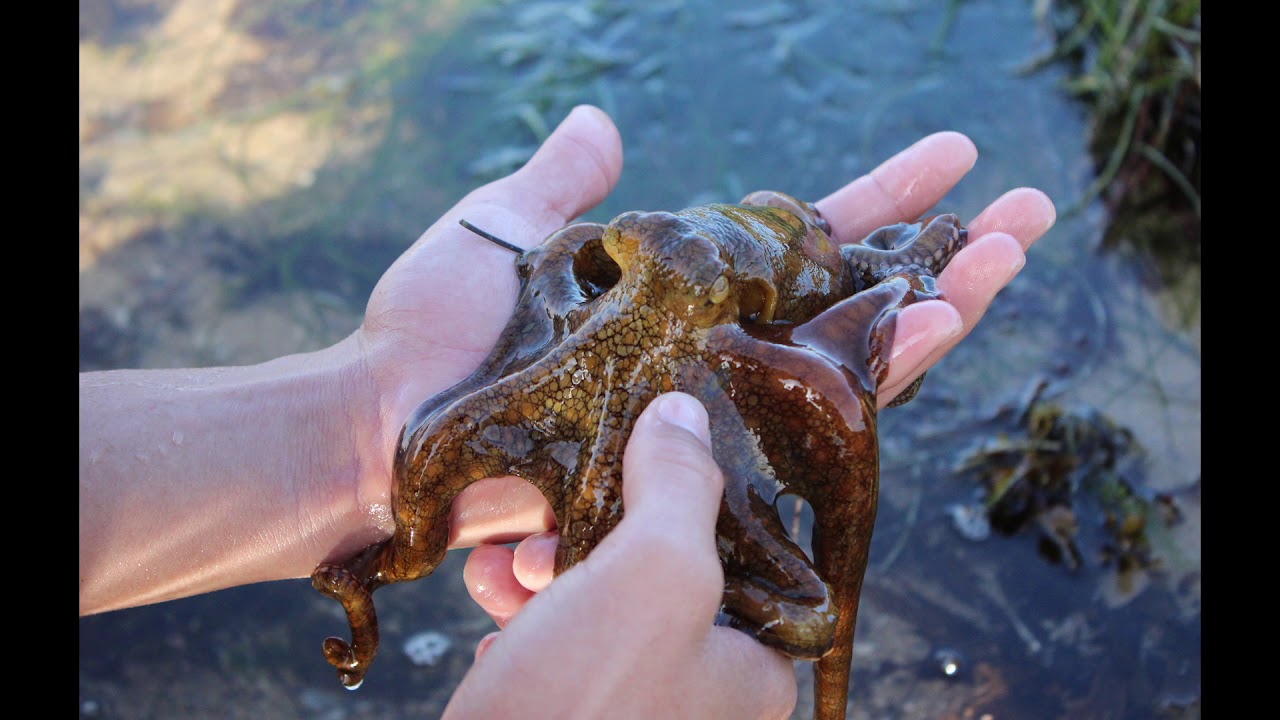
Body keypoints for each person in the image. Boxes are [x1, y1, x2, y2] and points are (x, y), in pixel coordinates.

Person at [79, 105, 1056, 718]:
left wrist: (352, 434)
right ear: (614, 252)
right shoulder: (588, 292)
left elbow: (863, 311)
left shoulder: (788, 292)